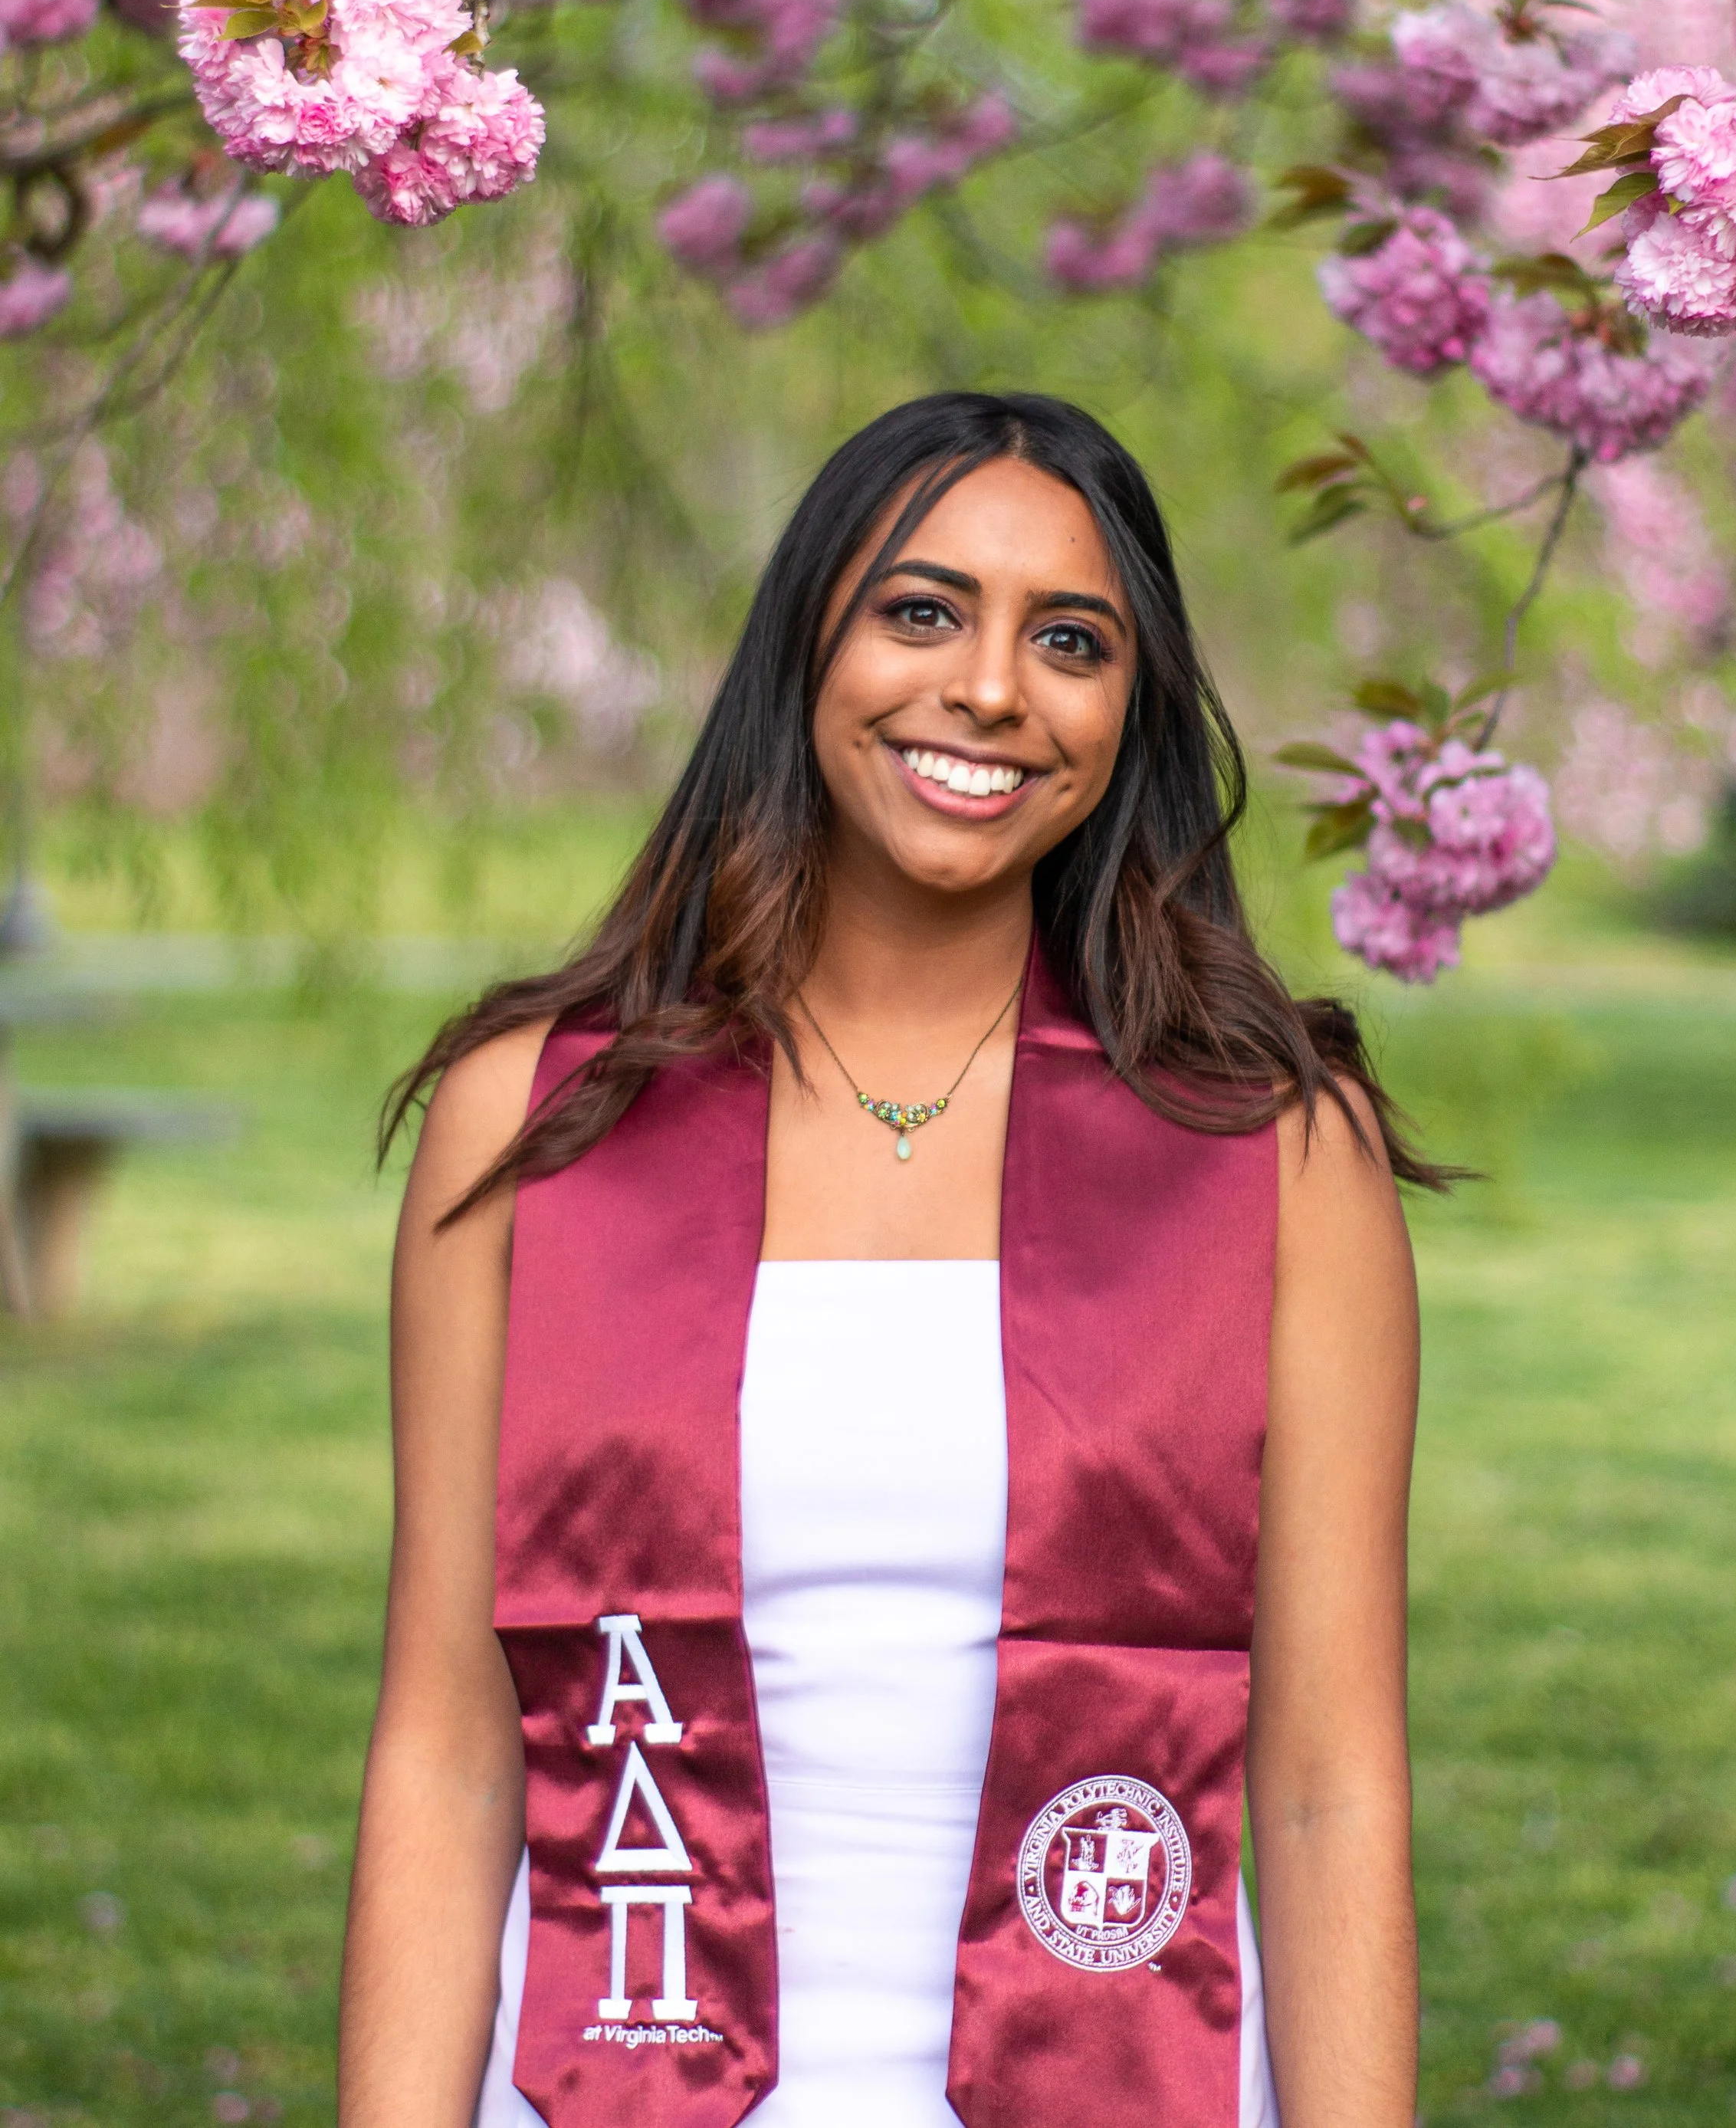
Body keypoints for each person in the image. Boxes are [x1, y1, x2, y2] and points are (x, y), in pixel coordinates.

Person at [339, 390, 1431, 2128]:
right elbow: (450, 1748)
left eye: (1066, 640)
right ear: (806, 650)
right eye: (921, 611)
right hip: (607, 2078)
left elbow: (1323, 1788)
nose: (990, 689)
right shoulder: (534, 1121)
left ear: (1126, 710)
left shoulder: (1271, 1154)